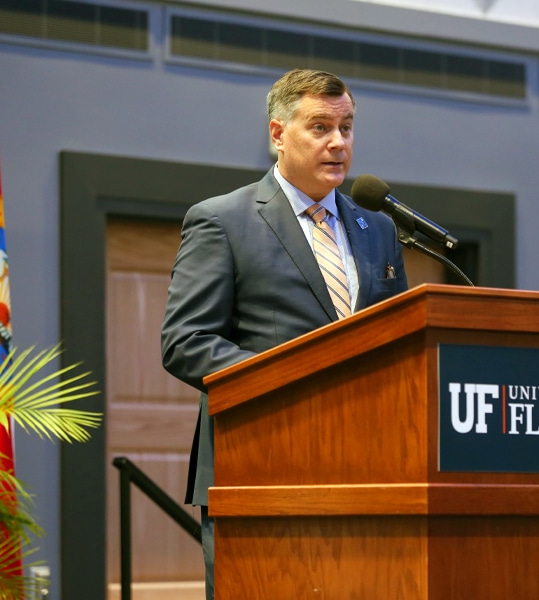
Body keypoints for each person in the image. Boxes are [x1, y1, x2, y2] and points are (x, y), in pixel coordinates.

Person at [160, 68, 408, 600]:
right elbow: (185, 340)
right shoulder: (223, 220)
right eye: (320, 127)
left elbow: (396, 340)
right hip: (261, 466)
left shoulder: (377, 227)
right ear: (277, 133)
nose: (338, 143)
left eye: (346, 127)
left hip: (369, 471)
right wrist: (294, 382)